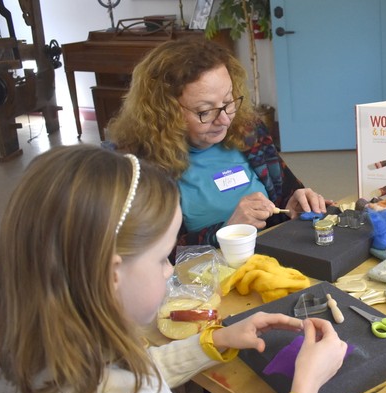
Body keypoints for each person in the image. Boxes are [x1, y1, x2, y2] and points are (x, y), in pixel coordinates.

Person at [0, 145, 348, 393]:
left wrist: (213, 341)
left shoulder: (57, 351)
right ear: (112, 274)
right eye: (163, 258)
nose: (169, 272)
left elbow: (138, 373)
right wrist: (304, 391)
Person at [107, 38, 328, 248]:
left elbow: (286, 194)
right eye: (205, 111)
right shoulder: (139, 167)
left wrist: (293, 206)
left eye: (228, 101)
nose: (224, 119)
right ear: (164, 112)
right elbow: (151, 255)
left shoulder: (248, 132)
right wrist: (226, 231)